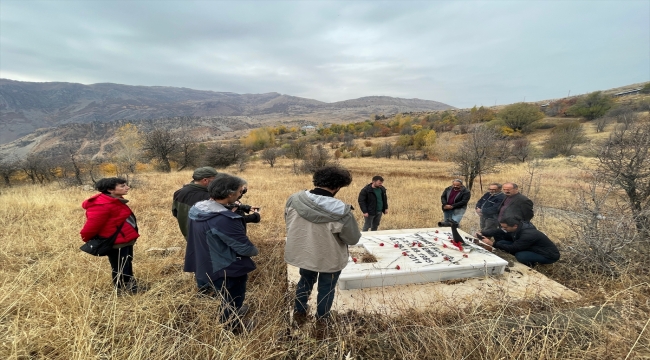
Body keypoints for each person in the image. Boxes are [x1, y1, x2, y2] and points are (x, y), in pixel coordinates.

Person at [285, 166, 361, 330]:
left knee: (304, 281)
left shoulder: (294, 199)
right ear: (337, 187)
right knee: (327, 288)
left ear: (317, 181)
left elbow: (289, 222)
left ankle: (299, 311)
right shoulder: (342, 211)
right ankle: (322, 320)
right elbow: (352, 238)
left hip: (305, 253)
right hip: (330, 258)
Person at [184, 173, 259, 332]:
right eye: (240, 191)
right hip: (225, 265)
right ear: (230, 194)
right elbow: (247, 249)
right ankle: (232, 326)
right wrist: (255, 250)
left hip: (205, 260)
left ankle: (234, 312)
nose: (241, 194)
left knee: (226, 295)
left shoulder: (198, 208)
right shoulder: (224, 219)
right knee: (233, 296)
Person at [80, 177, 141, 294]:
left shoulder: (115, 200)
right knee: (119, 267)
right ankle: (120, 290)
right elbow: (91, 227)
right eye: (122, 186)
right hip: (116, 242)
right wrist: (86, 239)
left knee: (127, 263)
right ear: (110, 190)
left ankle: (131, 287)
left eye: (125, 185)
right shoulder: (101, 205)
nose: (127, 187)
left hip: (126, 239)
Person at [476, 216, 560, 267]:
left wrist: (492, 243)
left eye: (505, 227)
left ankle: (531, 264)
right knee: (501, 243)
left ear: (515, 226)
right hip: (530, 247)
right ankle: (529, 256)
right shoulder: (517, 227)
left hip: (548, 255)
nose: (504, 229)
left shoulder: (528, 234)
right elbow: (499, 231)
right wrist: (482, 233)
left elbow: (514, 248)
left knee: (520, 255)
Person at [172, 167, 218, 240]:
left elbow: (175, 213)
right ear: (205, 180)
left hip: (189, 236)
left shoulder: (178, 193)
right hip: (207, 240)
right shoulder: (210, 197)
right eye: (215, 179)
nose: (217, 181)